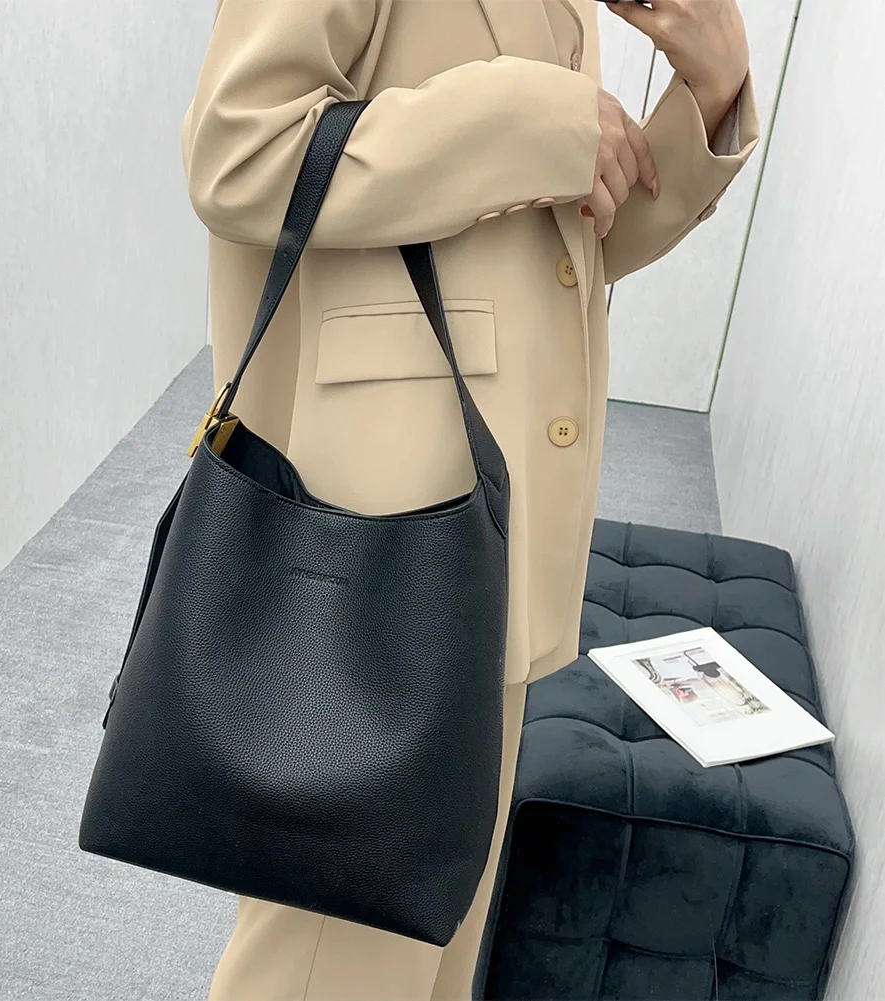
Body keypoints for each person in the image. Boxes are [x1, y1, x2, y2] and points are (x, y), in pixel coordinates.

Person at [179, 1, 759, 998]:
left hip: (493, 517)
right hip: (377, 520)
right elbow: (239, 155)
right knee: (329, 963)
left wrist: (705, 93)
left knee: (424, 955)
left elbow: (563, 248)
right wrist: (529, 117)